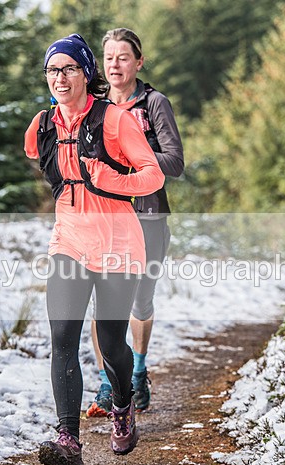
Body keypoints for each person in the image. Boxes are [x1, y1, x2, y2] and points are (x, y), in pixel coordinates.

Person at [24, 33, 165, 465]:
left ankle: (122, 405)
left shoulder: (116, 120)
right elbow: (36, 154)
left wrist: (111, 181)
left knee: (110, 342)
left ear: (87, 73)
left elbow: (153, 176)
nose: (60, 78)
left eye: (68, 69)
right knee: (62, 339)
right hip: (69, 241)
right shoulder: (42, 124)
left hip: (119, 242)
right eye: (52, 70)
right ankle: (68, 438)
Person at [86, 28, 185, 418]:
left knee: (140, 301)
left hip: (148, 216)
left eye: (123, 57)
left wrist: (131, 160)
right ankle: (109, 383)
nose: (115, 64)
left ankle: (139, 373)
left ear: (138, 62)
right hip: (104, 217)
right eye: (109, 58)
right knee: (102, 305)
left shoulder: (154, 103)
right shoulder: (94, 106)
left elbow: (174, 162)